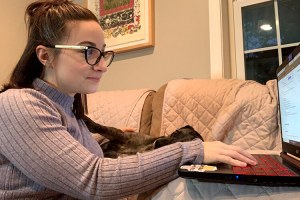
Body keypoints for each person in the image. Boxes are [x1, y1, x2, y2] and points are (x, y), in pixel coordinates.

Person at [0, 0, 257, 199]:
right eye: (89, 52)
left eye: (103, 53)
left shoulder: (67, 110)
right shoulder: (18, 105)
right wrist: (192, 151)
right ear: (45, 56)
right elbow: (93, 180)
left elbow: (61, 149)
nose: (102, 65)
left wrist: (102, 139)